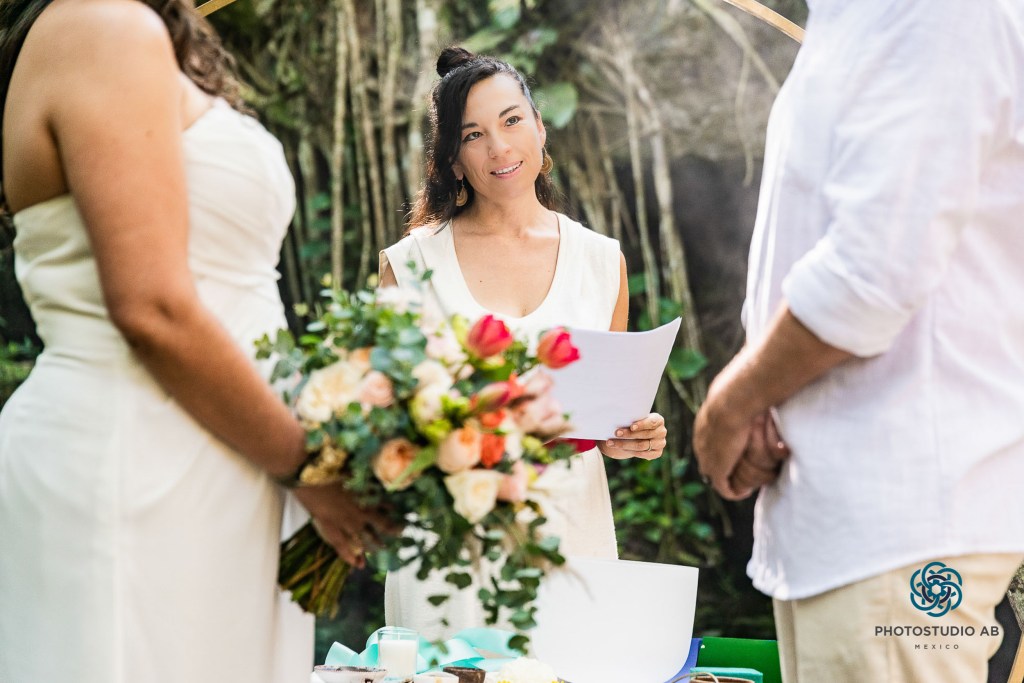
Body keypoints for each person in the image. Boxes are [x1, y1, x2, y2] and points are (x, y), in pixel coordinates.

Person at [0, 1, 387, 681]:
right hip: (140, 461)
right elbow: (152, 309)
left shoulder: (135, 36)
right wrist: (304, 466)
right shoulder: (99, 24)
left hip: (230, 462)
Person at [693, 2, 1024, 681]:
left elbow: (873, 271)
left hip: (903, 525)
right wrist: (770, 394)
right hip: (853, 522)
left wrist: (734, 401)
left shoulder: (934, 11)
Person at [379, 46, 668, 640]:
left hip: (572, 537)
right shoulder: (410, 266)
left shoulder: (601, 261)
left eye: (512, 120)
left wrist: (630, 437)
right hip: (448, 543)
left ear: (539, 126)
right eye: (474, 135)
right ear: (453, 161)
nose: (499, 147)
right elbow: (385, 424)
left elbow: (602, 418)